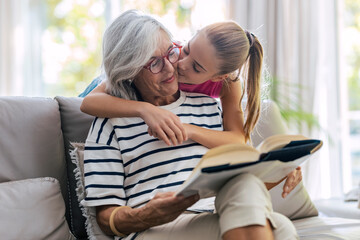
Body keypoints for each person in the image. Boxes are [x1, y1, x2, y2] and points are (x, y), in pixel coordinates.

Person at [82, 9, 299, 240]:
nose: (172, 67)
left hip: (215, 215)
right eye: (154, 63)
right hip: (154, 228)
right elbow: (105, 219)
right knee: (280, 231)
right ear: (130, 70)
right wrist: (146, 214)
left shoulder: (209, 106)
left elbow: (234, 171)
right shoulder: (110, 122)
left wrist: (277, 170)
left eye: (170, 53)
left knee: (275, 220)